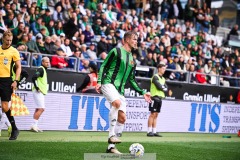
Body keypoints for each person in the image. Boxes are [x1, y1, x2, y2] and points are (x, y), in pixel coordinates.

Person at [95, 31, 152, 154]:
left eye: (137, 39)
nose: (136, 41)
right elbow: (104, 66)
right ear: (126, 40)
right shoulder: (116, 51)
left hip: (120, 90)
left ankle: (111, 148)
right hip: (108, 82)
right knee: (116, 103)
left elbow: (131, 79)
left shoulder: (132, 59)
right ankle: (111, 136)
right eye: (134, 39)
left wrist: (142, 92)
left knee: (122, 118)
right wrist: (99, 81)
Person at [0, 30, 21, 140]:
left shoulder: (14, 51)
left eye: (11, 40)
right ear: (3, 39)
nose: (9, 42)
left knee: (4, 107)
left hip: (6, 81)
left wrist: (16, 81)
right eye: (7, 40)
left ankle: (14, 128)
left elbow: (18, 67)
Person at [0, 63, 29, 137]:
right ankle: (9, 125)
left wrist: (17, 83)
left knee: (4, 110)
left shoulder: (12, 65)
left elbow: (26, 74)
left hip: (8, 89)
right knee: (3, 110)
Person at [147, 61, 168, 137]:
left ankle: (154, 131)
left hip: (160, 98)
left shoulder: (163, 78)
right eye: (163, 68)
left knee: (156, 115)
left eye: (164, 69)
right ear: (159, 69)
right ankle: (149, 131)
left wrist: (163, 87)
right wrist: (163, 87)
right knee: (152, 114)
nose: (164, 70)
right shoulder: (155, 77)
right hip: (154, 97)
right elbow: (159, 86)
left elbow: (166, 87)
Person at [31, 57, 50, 132]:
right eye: (46, 62)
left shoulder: (43, 70)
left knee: (38, 108)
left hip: (40, 92)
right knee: (41, 109)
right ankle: (34, 125)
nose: (48, 64)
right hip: (38, 91)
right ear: (42, 62)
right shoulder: (41, 69)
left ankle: (34, 125)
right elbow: (34, 77)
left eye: (48, 62)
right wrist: (37, 87)